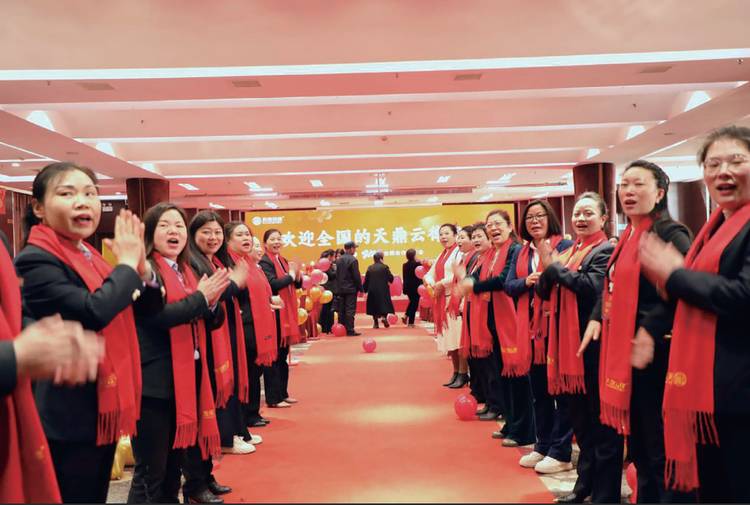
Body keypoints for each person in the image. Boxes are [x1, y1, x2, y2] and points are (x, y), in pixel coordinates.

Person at [15, 162, 158, 503]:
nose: (82, 202)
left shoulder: (90, 256)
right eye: (67, 193)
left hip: (100, 406)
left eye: (90, 193)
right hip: (67, 414)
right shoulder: (35, 260)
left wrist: (143, 272)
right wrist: (126, 265)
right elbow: (93, 312)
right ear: (38, 208)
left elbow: (145, 311)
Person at [639, 126, 750, 502]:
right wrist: (651, 328)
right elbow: (688, 295)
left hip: (740, 390)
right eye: (713, 164)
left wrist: (675, 274)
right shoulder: (715, 227)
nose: (723, 172)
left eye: (736, 161)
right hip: (711, 390)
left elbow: (743, 295)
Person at [583, 160, 692, 503]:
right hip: (627, 351)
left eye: (639, 184)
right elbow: (611, 285)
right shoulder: (629, 235)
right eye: (624, 184)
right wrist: (597, 316)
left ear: (659, 193)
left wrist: (649, 328)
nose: (628, 191)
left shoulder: (671, 233)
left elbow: (684, 290)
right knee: (641, 448)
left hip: (656, 353)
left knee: (658, 449)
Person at [127, 203, 229, 504]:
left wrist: (210, 302)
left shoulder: (186, 271)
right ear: (150, 233)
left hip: (183, 382)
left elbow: (211, 319)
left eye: (179, 226)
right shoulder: (145, 271)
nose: (174, 231)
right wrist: (201, 298)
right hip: (153, 385)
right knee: (151, 474)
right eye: (165, 225)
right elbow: (157, 317)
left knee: (172, 470)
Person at [0, 229, 104, 503]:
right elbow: (98, 308)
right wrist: (14, 356)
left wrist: (50, 338)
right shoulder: (36, 257)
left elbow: (12, 313)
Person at [536, 192, 621, 503]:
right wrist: (551, 270)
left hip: (595, 347)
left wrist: (554, 269)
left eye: (588, 213)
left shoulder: (605, 250)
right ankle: (584, 484)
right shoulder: (571, 251)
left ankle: (605, 493)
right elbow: (544, 291)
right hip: (569, 349)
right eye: (577, 214)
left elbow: (591, 287)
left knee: (602, 426)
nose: (581, 218)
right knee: (582, 424)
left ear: (603, 218)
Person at [506, 200, 574, 474]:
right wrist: (527, 282)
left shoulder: (565, 246)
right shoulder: (522, 251)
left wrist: (549, 273)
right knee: (540, 392)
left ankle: (561, 451)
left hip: (558, 327)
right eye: (530, 217)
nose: (534, 221)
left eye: (540, 216)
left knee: (562, 393)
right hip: (532, 331)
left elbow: (571, 281)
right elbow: (509, 286)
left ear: (550, 218)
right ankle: (543, 445)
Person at [224, 222, 279, 429]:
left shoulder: (249, 263)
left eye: (247, 234)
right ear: (228, 240)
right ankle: (245, 417)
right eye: (240, 235)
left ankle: (252, 413)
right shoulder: (229, 263)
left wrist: (268, 302)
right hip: (243, 326)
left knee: (255, 372)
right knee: (245, 373)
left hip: (256, 325)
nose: (246, 238)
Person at [259, 229, 302, 407]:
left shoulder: (283, 260)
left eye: (279, 238)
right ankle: (273, 398)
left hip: (286, 312)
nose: (277, 242)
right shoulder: (265, 262)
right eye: (272, 239)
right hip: (274, 314)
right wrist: (290, 275)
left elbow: (295, 284)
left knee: (282, 356)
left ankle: (283, 393)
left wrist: (296, 275)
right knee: (274, 357)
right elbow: (273, 284)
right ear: (265, 243)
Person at [424, 224, 465, 387]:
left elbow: (457, 274)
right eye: (441, 234)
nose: (443, 237)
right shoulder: (442, 254)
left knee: (459, 340)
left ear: (455, 235)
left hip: (454, 299)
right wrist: (432, 283)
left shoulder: (459, 252)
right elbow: (429, 274)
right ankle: (455, 371)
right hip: (442, 300)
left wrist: (440, 283)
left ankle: (463, 373)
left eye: (447, 233)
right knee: (450, 340)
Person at [448, 225, 477, 391]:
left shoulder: (474, 257)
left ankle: (465, 374)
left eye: (462, 237)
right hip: (460, 303)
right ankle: (461, 374)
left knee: (465, 345)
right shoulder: (463, 257)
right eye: (458, 237)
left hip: (470, 304)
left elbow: (470, 281)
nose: (459, 240)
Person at [335, 241, 363, 336]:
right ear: (351, 248)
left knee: (341, 309)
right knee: (350, 309)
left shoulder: (339, 260)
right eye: (354, 248)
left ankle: (342, 328)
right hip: (350, 289)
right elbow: (356, 276)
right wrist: (361, 288)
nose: (355, 250)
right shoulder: (353, 260)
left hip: (341, 289)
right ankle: (350, 330)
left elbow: (337, 275)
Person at [363, 251, 395, 328]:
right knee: (385, 304)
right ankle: (384, 317)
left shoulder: (370, 268)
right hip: (383, 289)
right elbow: (391, 278)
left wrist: (365, 290)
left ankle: (375, 323)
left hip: (372, 290)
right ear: (381, 259)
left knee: (374, 305)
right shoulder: (385, 267)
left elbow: (366, 280)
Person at [319, 249, 337, 333]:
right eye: (334, 256)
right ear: (330, 256)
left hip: (326, 289)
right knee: (328, 309)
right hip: (328, 289)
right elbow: (331, 275)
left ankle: (326, 327)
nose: (334, 258)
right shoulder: (326, 264)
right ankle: (327, 327)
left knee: (326, 308)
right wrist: (336, 269)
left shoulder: (325, 263)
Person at [402, 249, 421, 327]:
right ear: (414, 256)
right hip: (416, 287)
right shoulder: (417, 264)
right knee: (414, 304)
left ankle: (406, 316)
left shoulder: (404, 265)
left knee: (412, 302)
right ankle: (410, 322)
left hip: (408, 287)